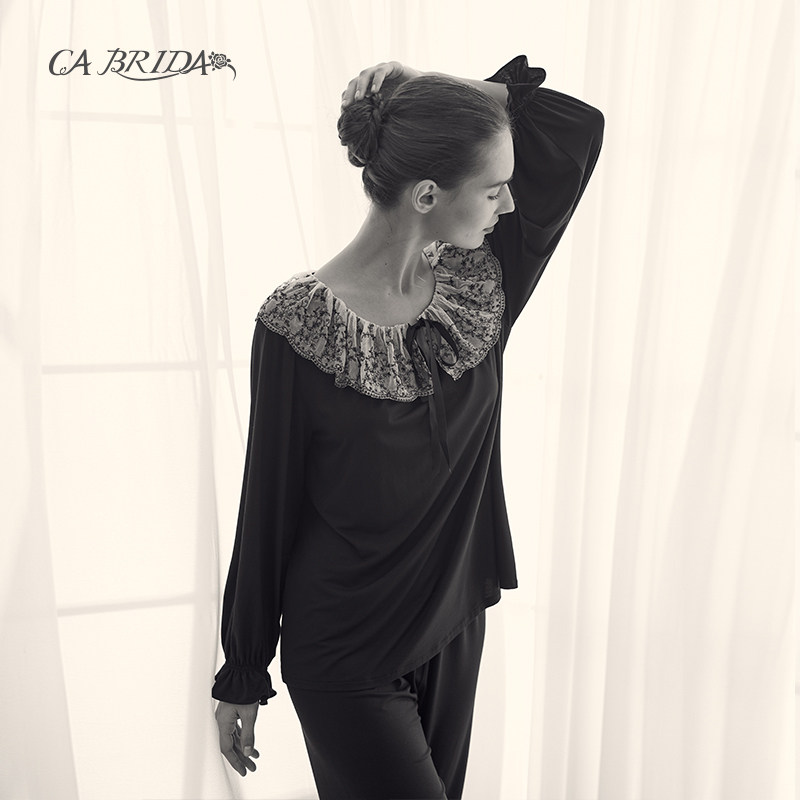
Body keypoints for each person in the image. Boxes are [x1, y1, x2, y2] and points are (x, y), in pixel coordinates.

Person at [212, 55, 604, 799]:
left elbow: (579, 129)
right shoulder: (295, 323)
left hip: (452, 627)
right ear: (427, 195)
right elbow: (267, 503)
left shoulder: (481, 280)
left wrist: (420, 93)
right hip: (347, 650)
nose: (509, 204)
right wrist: (243, 666)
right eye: (492, 188)